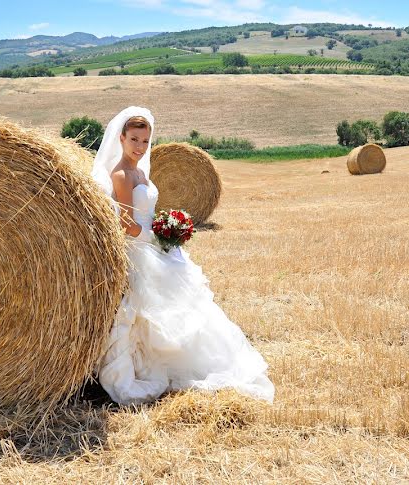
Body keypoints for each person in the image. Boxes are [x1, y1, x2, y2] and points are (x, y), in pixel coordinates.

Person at [91, 106, 275, 405]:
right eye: (134, 139)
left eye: (145, 142)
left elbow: (144, 214)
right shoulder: (122, 175)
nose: (139, 147)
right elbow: (126, 224)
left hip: (153, 244)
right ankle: (151, 367)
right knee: (151, 310)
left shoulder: (140, 171)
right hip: (140, 251)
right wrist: (159, 235)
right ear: (121, 138)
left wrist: (166, 229)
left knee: (188, 306)